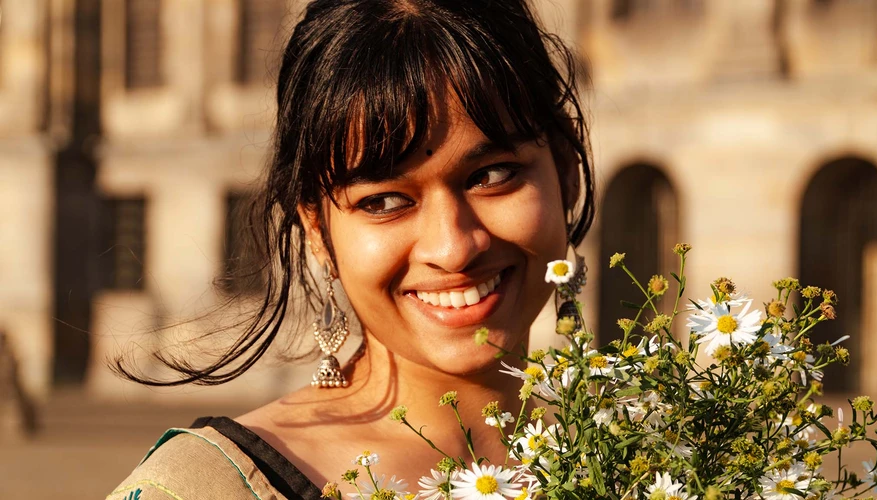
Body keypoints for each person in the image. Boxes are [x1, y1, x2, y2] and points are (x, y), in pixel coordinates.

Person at [107, 0, 594, 498]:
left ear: (567, 172)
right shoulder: (199, 489)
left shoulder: (636, 451)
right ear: (317, 231)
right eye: (384, 201)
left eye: (491, 176)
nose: (453, 248)